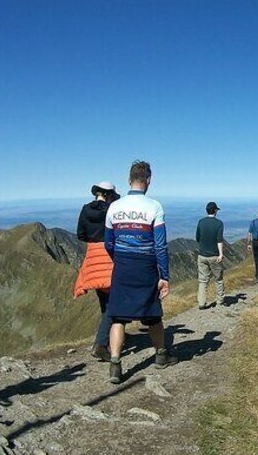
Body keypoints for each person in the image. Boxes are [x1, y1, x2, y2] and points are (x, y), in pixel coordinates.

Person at [104, 161, 177, 384]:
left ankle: (115, 364)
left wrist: (119, 259)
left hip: (123, 265)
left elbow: (108, 242)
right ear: (148, 180)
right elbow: (160, 244)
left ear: (129, 180)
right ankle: (161, 355)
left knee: (118, 317)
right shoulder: (154, 206)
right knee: (153, 315)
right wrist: (164, 275)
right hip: (146, 266)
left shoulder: (114, 207)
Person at [74, 181, 119, 362]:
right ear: (109, 195)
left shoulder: (85, 209)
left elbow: (80, 234)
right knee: (112, 304)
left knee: (104, 300)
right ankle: (100, 345)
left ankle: (106, 336)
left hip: (92, 257)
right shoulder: (111, 209)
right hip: (108, 256)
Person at [196, 201, 225, 310]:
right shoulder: (219, 223)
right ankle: (220, 301)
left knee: (203, 280)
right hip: (214, 255)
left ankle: (202, 303)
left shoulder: (201, 222)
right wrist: (221, 254)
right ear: (215, 211)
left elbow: (197, 237)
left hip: (202, 255)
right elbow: (219, 240)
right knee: (218, 279)